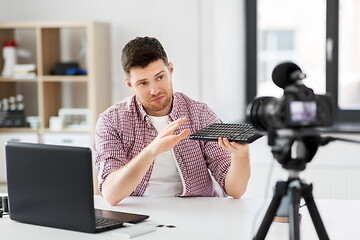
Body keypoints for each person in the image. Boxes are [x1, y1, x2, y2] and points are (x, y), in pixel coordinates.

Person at [93, 36, 250, 206]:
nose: (154, 90)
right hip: (140, 213)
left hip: (199, 212)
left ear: (170, 70)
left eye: (160, 77)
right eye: (143, 83)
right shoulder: (111, 121)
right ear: (130, 84)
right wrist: (152, 150)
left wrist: (241, 155)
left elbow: (236, 190)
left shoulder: (200, 114)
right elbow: (110, 194)